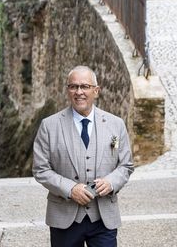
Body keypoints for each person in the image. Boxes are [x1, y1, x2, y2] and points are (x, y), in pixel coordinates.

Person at [33, 65, 134, 247]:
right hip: (64, 217)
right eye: (73, 86)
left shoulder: (116, 124)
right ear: (68, 90)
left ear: (96, 91)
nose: (79, 92)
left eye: (85, 86)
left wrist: (111, 182)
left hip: (104, 217)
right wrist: (70, 189)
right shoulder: (49, 126)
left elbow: (126, 165)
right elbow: (41, 169)